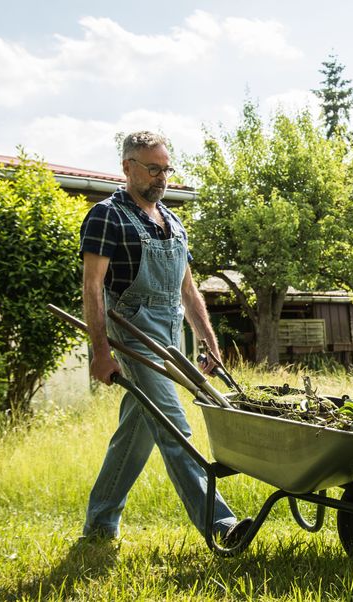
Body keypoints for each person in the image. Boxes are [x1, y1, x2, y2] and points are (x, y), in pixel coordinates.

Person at [78, 130, 250, 544]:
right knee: (174, 426)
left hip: (169, 335)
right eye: (153, 169)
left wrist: (207, 339)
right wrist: (100, 354)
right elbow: (92, 289)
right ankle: (220, 524)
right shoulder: (107, 216)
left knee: (135, 432)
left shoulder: (172, 221)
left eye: (166, 169)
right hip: (134, 335)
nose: (161, 177)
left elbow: (188, 291)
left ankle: (100, 524)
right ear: (127, 167)